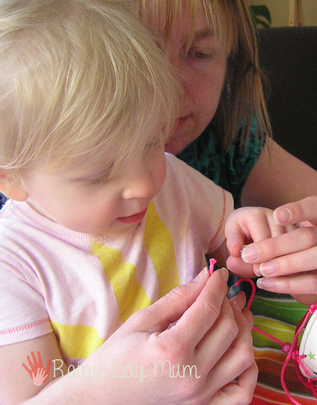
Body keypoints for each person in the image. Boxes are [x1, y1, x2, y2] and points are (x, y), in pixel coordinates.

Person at [0, 1, 261, 403]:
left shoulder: (173, 180)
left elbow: (234, 248)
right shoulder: (12, 264)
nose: (144, 183)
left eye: (152, 142)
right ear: (10, 178)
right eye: (100, 172)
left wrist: (260, 240)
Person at [129, 0, 317, 305]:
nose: (169, 87)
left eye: (200, 53)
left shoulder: (226, 137)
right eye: (137, 53)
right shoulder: (65, 163)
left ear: (231, 61)